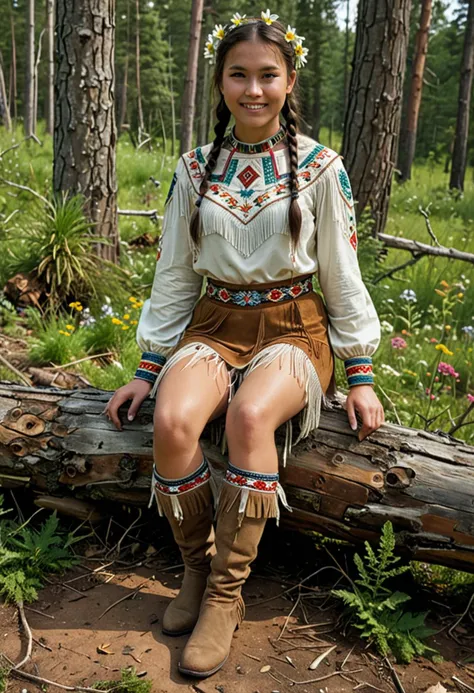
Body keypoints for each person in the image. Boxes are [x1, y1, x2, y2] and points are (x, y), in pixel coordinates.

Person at [104, 9, 384, 679]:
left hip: (293, 326)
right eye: (238, 75)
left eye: (267, 75)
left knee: (250, 415)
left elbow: (343, 275)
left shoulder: (321, 166)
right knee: (171, 420)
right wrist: (147, 367)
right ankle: (196, 571)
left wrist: (361, 370)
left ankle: (227, 598)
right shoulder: (195, 168)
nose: (252, 89)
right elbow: (174, 273)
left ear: (290, 82)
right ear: (220, 82)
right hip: (213, 323)